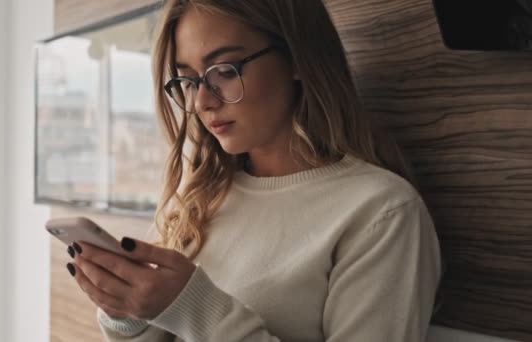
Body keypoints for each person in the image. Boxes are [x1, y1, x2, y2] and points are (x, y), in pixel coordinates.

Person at [65, 0, 443, 341]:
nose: (202, 101)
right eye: (189, 80)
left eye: (224, 71)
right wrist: (127, 315)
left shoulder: (381, 212)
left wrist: (194, 307)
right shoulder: (203, 198)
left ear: (296, 58)